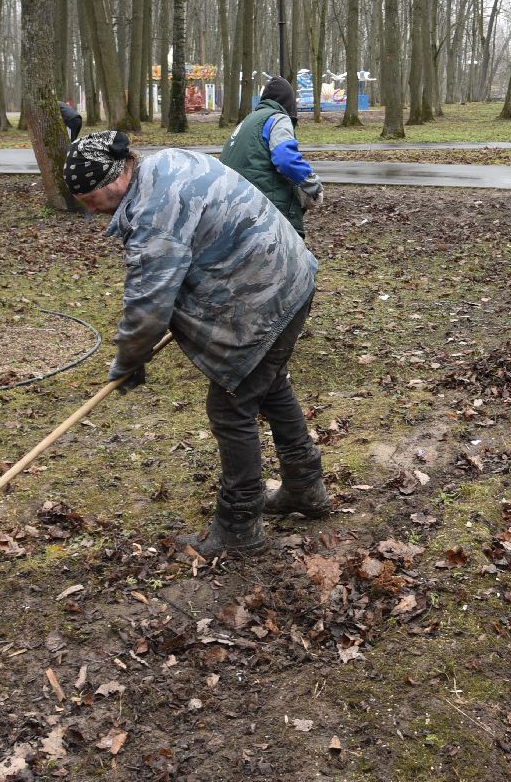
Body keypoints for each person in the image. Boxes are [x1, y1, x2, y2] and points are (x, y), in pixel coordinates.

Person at [65, 129, 328, 557]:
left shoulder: (153, 215)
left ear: (112, 177)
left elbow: (148, 304)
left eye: (87, 196)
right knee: (269, 382)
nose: (88, 208)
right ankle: (304, 487)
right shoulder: (165, 162)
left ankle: (240, 528)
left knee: (231, 405)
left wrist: (129, 359)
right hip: (290, 272)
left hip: (263, 292)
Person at [220, 76, 324, 236]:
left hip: (232, 208)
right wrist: (313, 185)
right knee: (291, 256)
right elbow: (285, 158)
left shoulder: (247, 121)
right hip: (262, 211)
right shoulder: (277, 118)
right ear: (289, 103)